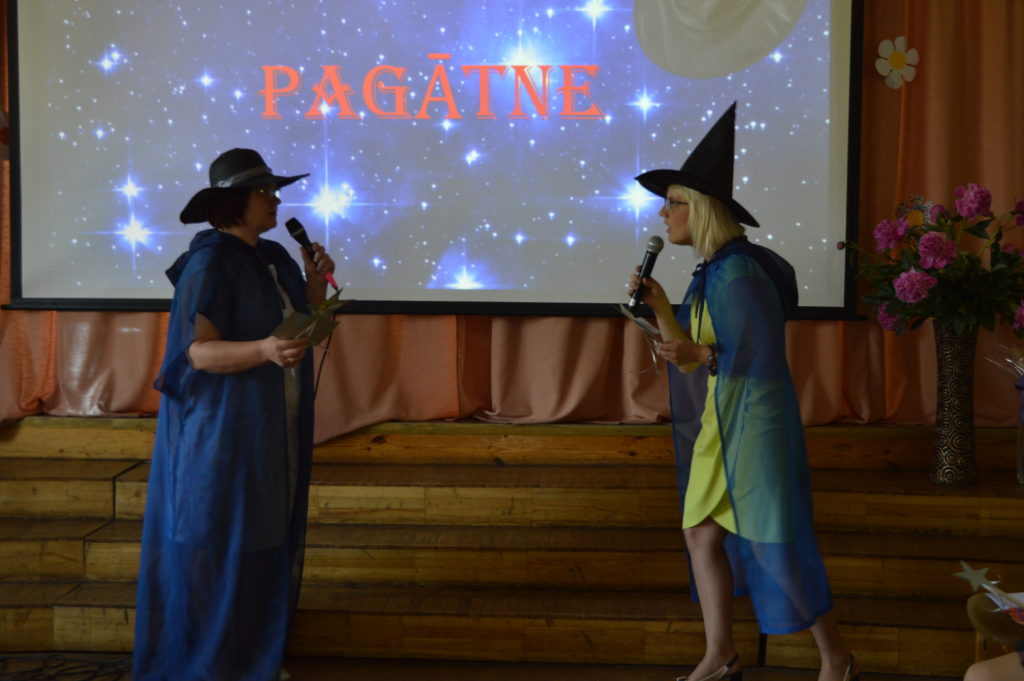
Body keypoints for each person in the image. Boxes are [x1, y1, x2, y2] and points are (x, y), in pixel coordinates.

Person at [627, 104, 856, 681]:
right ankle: (721, 655)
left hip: (753, 423)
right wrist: (660, 308)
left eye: (673, 202)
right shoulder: (711, 273)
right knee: (700, 533)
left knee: (771, 542)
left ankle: (836, 658)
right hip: (723, 421)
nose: (663, 213)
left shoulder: (739, 272)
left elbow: (757, 359)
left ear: (701, 208)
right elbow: (695, 359)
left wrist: (699, 355)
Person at [133, 148, 335, 681]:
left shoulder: (274, 256)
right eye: (264, 192)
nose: (276, 200)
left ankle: (251, 660)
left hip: (272, 425)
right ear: (232, 202)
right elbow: (197, 354)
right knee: (220, 542)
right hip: (224, 429)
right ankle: (209, 666)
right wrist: (264, 350)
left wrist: (315, 287)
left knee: (264, 540)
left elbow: (298, 325)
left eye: (275, 191)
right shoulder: (210, 263)